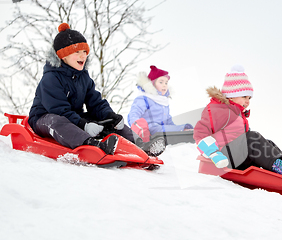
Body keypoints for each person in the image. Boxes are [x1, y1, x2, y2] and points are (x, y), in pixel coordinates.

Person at [28, 23, 134, 155]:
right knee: (58, 121)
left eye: (85, 52)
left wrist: (110, 115)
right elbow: (59, 110)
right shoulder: (50, 78)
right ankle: (92, 145)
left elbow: (95, 102)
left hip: (74, 118)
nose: (83, 56)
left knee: (109, 122)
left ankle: (139, 144)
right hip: (44, 118)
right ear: (62, 55)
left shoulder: (83, 76)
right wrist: (83, 125)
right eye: (77, 52)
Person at [193, 65, 282, 177]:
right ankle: (280, 169)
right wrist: (213, 153)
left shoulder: (237, 114)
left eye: (249, 98)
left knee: (268, 143)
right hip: (221, 159)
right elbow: (200, 134)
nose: (248, 101)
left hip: (237, 157)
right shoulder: (218, 110)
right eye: (244, 97)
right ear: (231, 96)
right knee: (251, 138)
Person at [127, 65, 193, 156]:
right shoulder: (144, 98)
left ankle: (185, 134)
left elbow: (168, 121)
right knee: (157, 127)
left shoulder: (163, 101)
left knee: (173, 128)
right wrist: (138, 127)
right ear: (152, 83)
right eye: (161, 82)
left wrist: (178, 130)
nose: (164, 85)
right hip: (149, 130)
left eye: (166, 83)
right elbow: (133, 114)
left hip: (161, 130)